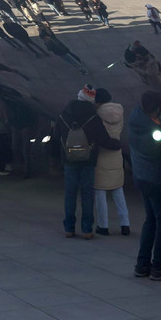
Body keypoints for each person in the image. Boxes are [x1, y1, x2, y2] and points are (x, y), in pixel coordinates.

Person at [129, 91, 161, 281]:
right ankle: (159, 266)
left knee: (150, 221)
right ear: (156, 108)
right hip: (155, 181)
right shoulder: (152, 130)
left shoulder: (135, 120)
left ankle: (142, 264)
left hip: (142, 178)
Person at [57, 86, 121, 239]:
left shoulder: (63, 114)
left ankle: (69, 228)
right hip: (88, 160)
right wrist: (118, 145)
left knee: (70, 194)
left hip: (69, 159)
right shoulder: (94, 117)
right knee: (87, 194)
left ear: (78, 96)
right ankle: (87, 229)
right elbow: (103, 139)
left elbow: (56, 135)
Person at [93, 88, 130, 236]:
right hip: (116, 153)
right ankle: (125, 223)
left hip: (101, 154)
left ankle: (103, 225)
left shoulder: (97, 114)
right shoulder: (119, 111)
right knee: (117, 189)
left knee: (100, 192)